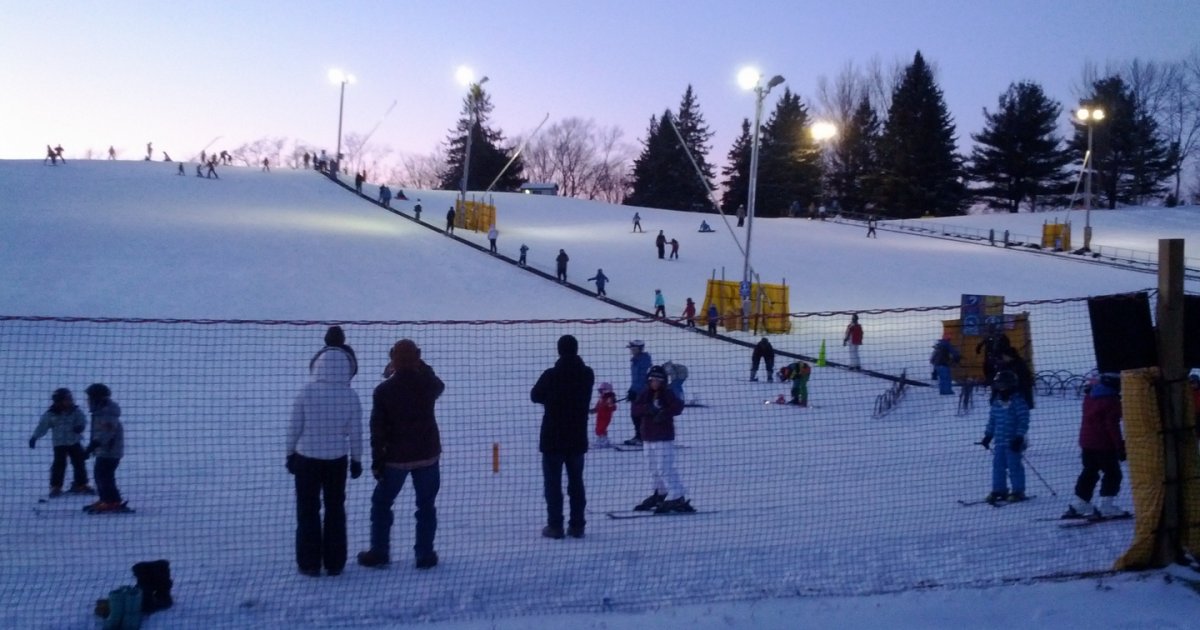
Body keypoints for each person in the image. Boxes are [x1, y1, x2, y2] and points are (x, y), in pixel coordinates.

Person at [358, 339, 444, 570]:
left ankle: (380, 552)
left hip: (396, 458)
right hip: (427, 455)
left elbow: (377, 430)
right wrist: (418, 363)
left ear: (393, 360)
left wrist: (377, 462)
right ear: (417, 357)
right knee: (426, 506)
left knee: (381, 503)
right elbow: (438, 385)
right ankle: (425, 555)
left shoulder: (383, 390)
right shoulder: (427, 385)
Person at [287, 346, 363, 577]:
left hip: (306, 459)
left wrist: (289, 453)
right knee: (335, 509)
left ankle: (309, 563)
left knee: (307, 510)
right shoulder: (350, 396)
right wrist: (356, 459)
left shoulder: (306, 392)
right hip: (336, 461)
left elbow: (294, 427)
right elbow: (356, 432)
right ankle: (335, 562)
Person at [531, 335, 595, 539]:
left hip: (553, 437)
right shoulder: (587, 374)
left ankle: (555, 526)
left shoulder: (551, 375)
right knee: (576, 483)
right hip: (577, 436)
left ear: (559, 350)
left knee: (553, 484)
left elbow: (535, 395)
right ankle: (577, 525)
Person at [1063, 373, 1128, 519]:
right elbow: (1112, 426)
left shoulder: (1089, 397)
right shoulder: (1111, 400)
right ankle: (1107, 506)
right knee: (1113, 473)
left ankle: (1081, 503)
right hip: (1104, 445)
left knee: (1090, 471)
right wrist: (1120, 447)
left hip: (1087, 443)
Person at [631, 365, 693, 513]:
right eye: (652, 379)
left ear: (664, 381)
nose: (655, 382)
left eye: (658, 380)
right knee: (653, 468)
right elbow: (635, 409)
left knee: (664, 468)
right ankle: (661, 492)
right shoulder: (645, 393)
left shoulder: (667, 393)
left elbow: (678, 407)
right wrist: (647, 408)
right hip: (648, 438)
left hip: (663, 438)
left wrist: (664, 413)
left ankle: (678, 495)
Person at [978, 370, 1030, 504]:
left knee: (1014, 466)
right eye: (998, 385)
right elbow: (992, 420)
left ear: (1011, 385)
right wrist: (988, 435)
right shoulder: (997, 401)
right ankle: (999, 489)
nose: (1000, 388)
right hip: (1000, 441)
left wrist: (1019, 437)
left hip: (1013, 441)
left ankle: (1018, 491)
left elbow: (1023, 420)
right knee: (998, 465)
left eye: (1003, 385)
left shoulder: (1018, 401)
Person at [29, 388, 92, 497]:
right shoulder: (51, 414)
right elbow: (42, 427)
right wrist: (35, 437)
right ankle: (56, 486)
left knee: (79, 463)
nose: (70, 401)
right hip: (59, 444)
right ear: (58, 401)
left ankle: (81, 484)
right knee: (59, 465)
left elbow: (82, 419)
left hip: (74, 442)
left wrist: (80, 427)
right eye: (67, 399)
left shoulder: (75, 411)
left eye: (71, 399)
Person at [83, 384, 126, 513]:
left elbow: (107, 433)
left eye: (90, 398)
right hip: (104, 451)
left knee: (105, 476)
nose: (88, 401)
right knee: (100, 475)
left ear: (98, 399)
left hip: (110, 452)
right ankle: (105, 499)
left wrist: (93, 445)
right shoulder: (100, 412)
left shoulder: (108, 413)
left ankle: (111, 501)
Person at [624, 340, 652, 445]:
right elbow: (635, 379)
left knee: (640, 414)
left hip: (643, 392)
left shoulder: (644, 360)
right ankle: (638, 436)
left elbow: (644, 378)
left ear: (639, 348)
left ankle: (642, 437)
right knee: (634, 414)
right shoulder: (635, 360)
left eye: (633, 348)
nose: (631, 350)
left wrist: (638, 391)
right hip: (636, 391)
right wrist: (631, 390)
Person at [592, 382, 617, 448]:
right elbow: (598, 407)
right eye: (599, 391)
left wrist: (610, 404)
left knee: (601, 428)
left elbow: (613, 408)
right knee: (598, 428)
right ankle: (601, 439)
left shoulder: (609, 399)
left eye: (601, 390)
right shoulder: (601, 399)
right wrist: (593, 410)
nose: (600, 392)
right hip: (600, 416)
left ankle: (604, 441)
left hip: (605, 417)